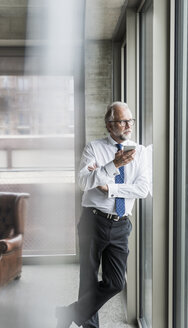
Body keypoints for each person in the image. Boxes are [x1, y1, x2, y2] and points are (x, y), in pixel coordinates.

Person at [56, 101, 152, 328]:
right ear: (109, 126)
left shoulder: (139, 152)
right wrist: (112, 166)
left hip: (121, 223)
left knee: (116, 282)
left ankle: (69, 312)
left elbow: (142, 189)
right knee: (88, 279)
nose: (128, 125)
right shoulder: (93, 148)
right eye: (122, 121)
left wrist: (109, 187)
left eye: (130, 120)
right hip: (94, 220)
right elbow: (83, 182)